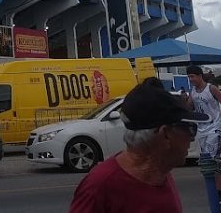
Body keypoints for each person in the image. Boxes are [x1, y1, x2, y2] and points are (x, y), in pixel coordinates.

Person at [69, 78, 210, 213]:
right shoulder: (100, 186)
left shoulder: (161, 172)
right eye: (190, 129)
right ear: (165, 134)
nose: (192, 139)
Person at [186, 64, 221, 205]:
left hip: (215, 128)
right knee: (208, 163)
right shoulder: (193, 92)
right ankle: (220, 190)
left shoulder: (211, 89)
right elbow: (189, 107)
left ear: (200, 76)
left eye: (192, 76)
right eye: (189, 77)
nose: (191, 79)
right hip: (202, 130)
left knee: (212, 162)